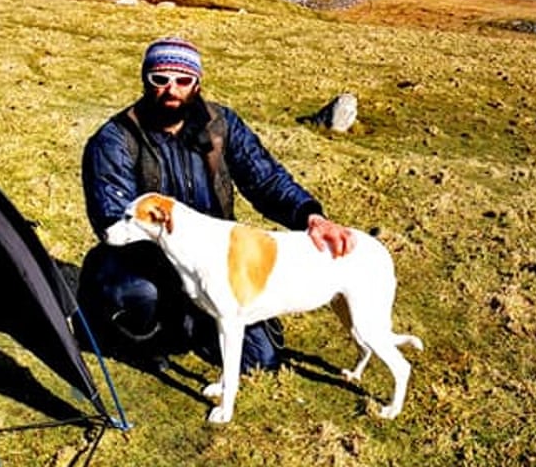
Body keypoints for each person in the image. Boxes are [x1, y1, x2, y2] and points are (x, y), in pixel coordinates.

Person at [77, 36, 356, 373]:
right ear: (145, 80)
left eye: (183, 80)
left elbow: (265, 179)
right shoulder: (115, 139)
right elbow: (111, 217)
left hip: (218, 263)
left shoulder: (222, 125)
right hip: (143, 262)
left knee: (260, 361)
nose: (172, 89)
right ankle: (135, 335)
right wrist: (184, 266)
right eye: (160, 79)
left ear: (196, 82)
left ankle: (196, 323)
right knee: (138, 295)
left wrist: (310, 216)